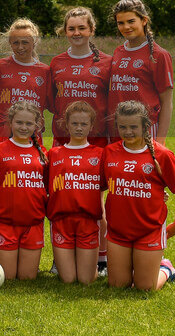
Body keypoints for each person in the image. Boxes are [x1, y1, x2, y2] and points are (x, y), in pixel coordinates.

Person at [103, 100, 175, 291]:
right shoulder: (109, 152)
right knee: (118, 285)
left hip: (149, 230)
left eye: (134, 127)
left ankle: (165, 268)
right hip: (118, 230)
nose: (128, 132)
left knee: (145, 288)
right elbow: (101, 186)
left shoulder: (162, 155)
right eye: (122, 127)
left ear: (146, 126)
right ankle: (140, 266)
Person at [0, 100, 48, 280]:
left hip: (33, 222)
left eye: (29, 123)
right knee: (7, 278)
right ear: (10, 123)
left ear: (36, 126)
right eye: (19, 122)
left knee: (27, 279)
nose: (23, 127)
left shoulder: (43, 153)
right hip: (5, 222)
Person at [46, 101, 103, 284]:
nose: (79, 128)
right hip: (61, 221)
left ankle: (166, 266)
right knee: (68, 280)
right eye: (75, 124)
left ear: (91, 126)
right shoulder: (53, 154)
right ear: (66, 124)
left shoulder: (101, 154)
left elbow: (119, 180)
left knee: (86, 281)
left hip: (88, 222)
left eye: (84, 124)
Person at [108, 0, 174, 140]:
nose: (126, 27)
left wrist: (160, 140)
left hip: (145, 130)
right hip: (118, 129)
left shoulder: (158, 55)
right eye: (121, 23)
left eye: (131, 21)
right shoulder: (118, 51)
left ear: (144, 20)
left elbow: (167, 102)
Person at [0, 18, 51, 143]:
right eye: (15, 42)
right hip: (2, 132)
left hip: (31, 134)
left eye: (25, 42)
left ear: (34, 42)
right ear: (10, 43)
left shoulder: (45, 71)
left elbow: (50, 103)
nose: (20, 47)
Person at [50, 7, 112, 146]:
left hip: (96, 140)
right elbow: (53, 101)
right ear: (65, 31)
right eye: (71, 29)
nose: (76, 33)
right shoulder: (56, 63)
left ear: (91, 29)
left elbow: (112, 102)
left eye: (82, 28)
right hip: (63, 139)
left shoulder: (107, 62)